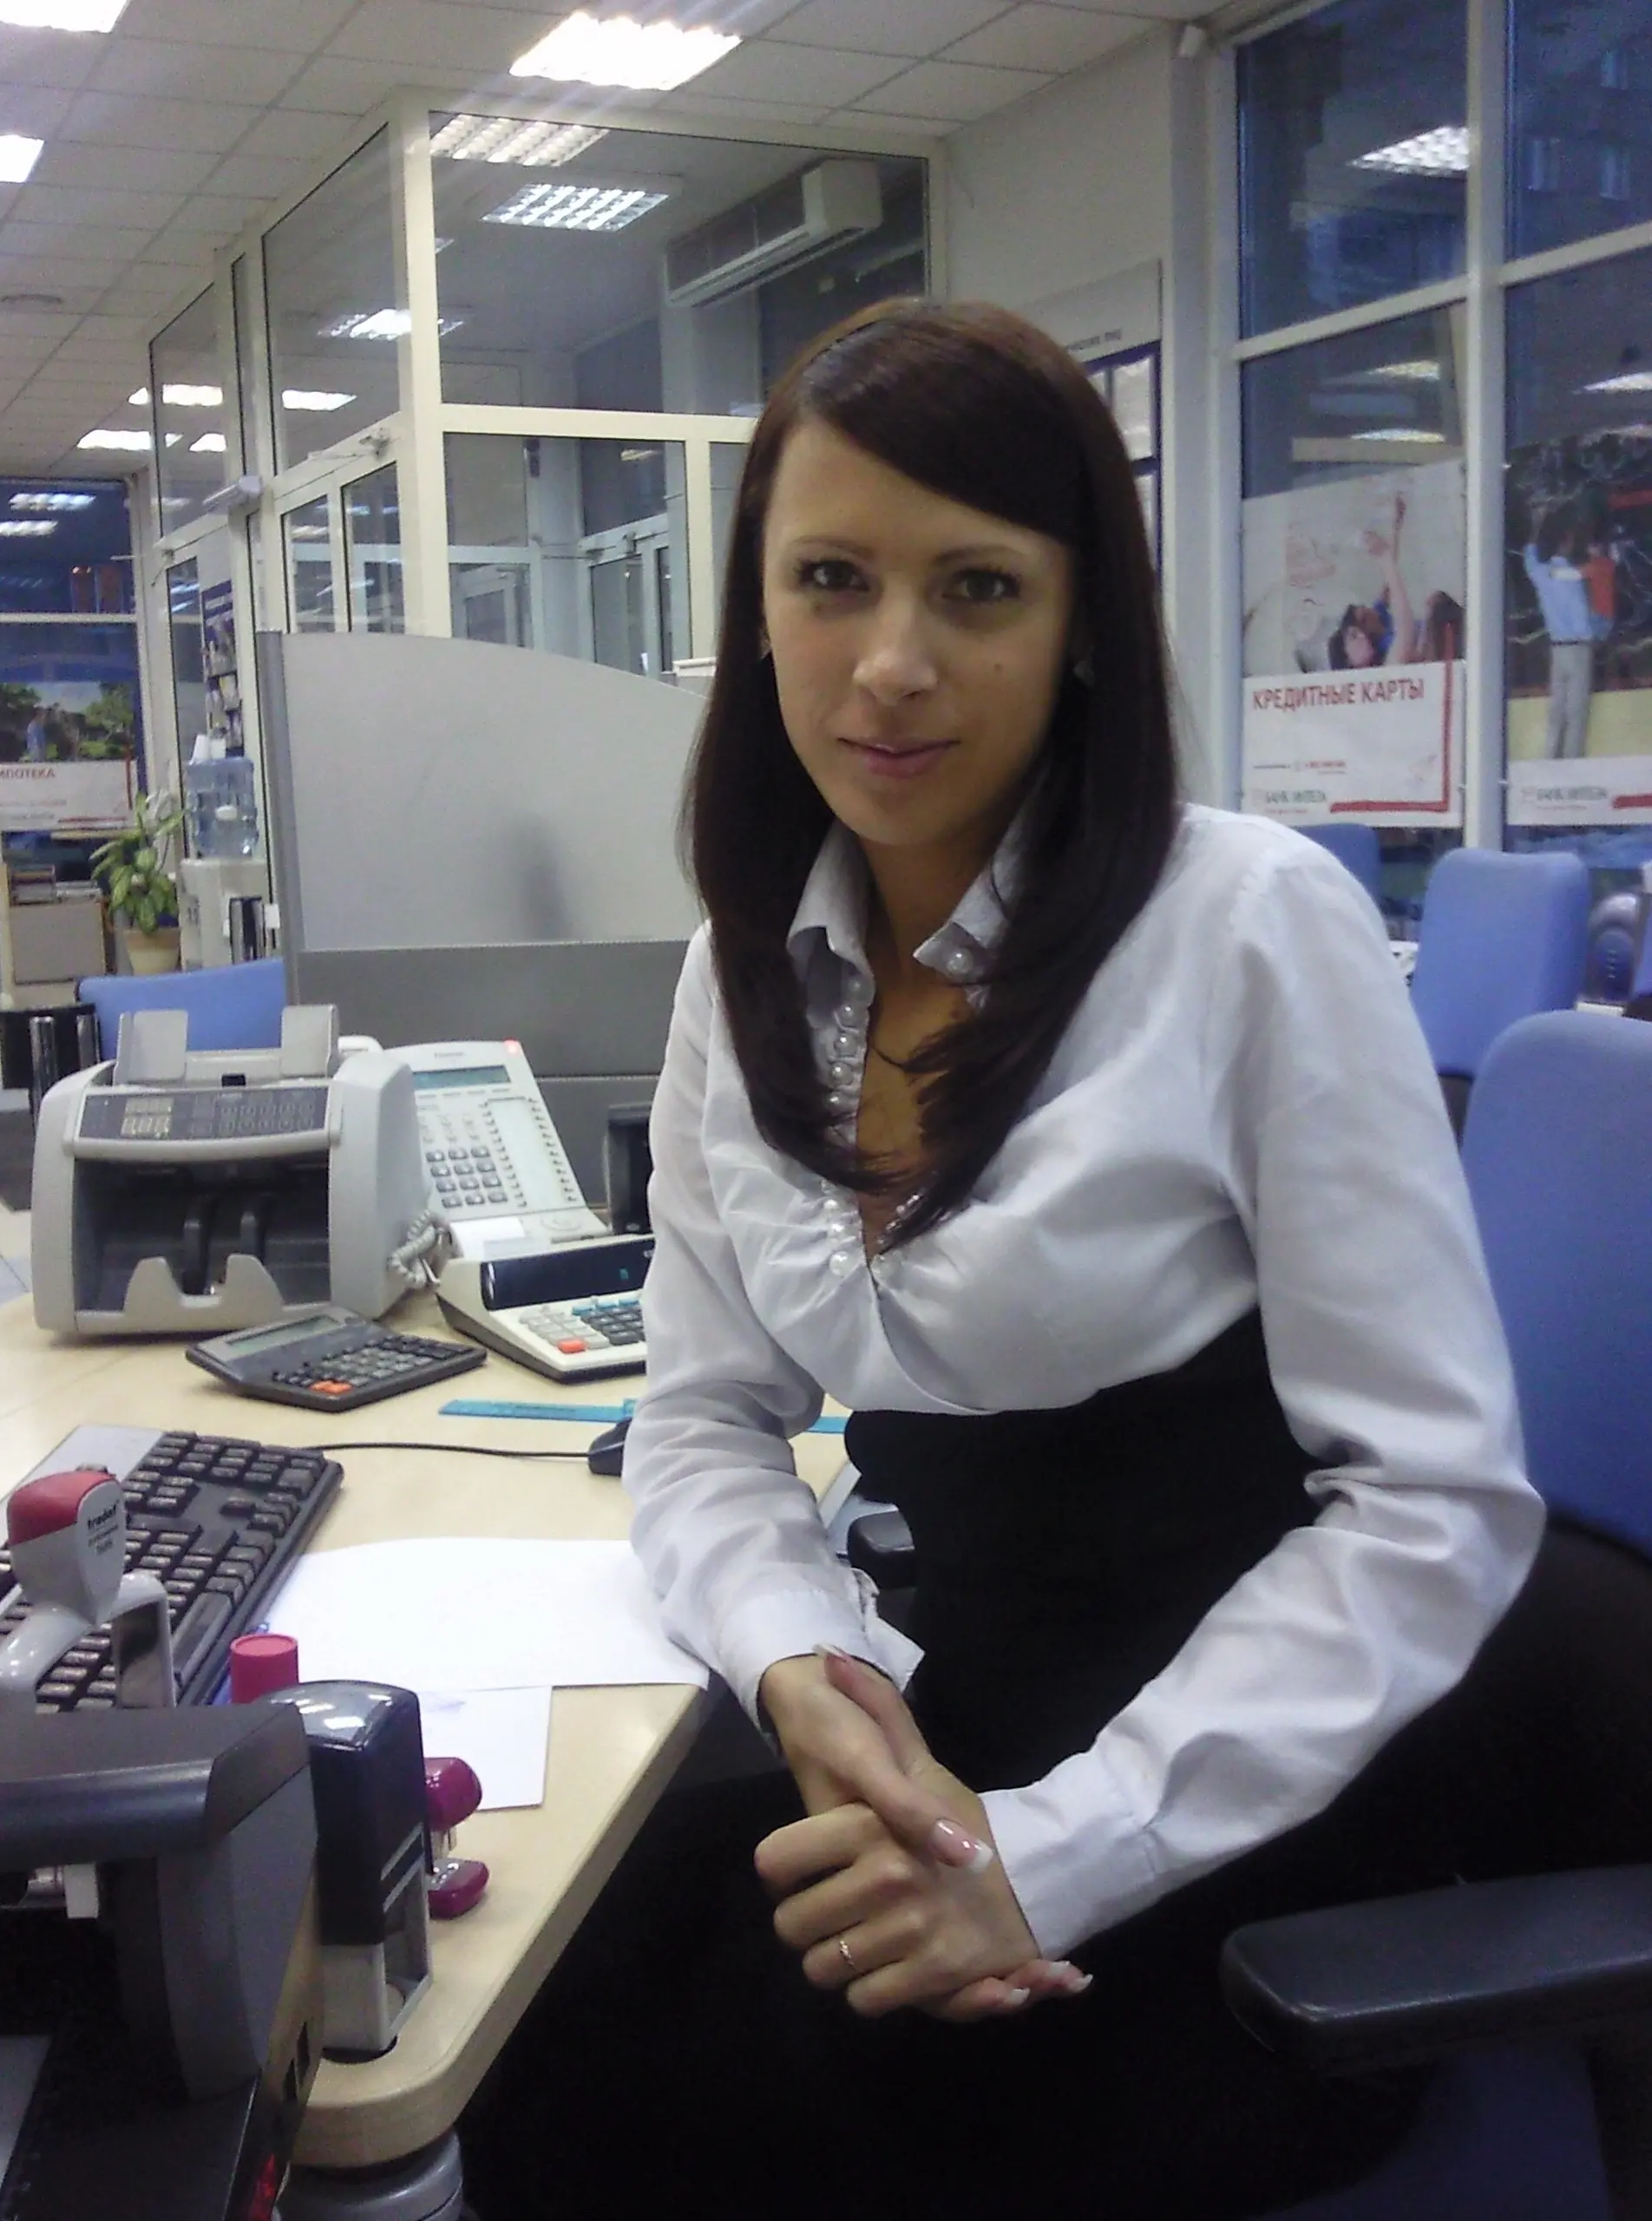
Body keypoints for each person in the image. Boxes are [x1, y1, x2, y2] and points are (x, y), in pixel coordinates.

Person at [462, 302, 1652, 2221]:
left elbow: (1431, 1504)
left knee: (698, 2124)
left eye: (980, 587)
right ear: (755, 610)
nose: (892, 662)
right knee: (530, 2007)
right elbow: (702, 1418)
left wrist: (1050, 1855)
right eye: (831, 580)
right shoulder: (742, 972)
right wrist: (801, 1667)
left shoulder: (1249, 929)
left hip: (1256, 1809)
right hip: (955, 1726)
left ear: (1083, 621)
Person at [1327, 492, 1464, 669]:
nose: (1371, 611)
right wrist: (1383, 557)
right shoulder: (1386, 654)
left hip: (1443, 633)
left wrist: (1396, 527)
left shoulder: (1379, 615)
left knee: (1438, 604)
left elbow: (1391, 583)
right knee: (1434, 605)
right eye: (1365, 619)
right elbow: (1406, 632)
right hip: (1438, 650)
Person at [1524, 502, 1600, 758]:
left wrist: (1536, 523)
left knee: (1557, 709)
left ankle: (1550, 759)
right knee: (1576, 711)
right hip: (1579, 648)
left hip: (1557, 649)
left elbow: (1529, 553)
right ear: (1567, 541)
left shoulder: (1541, 573)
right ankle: (1571, 761)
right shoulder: (1576, 574)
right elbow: (1595, 574)